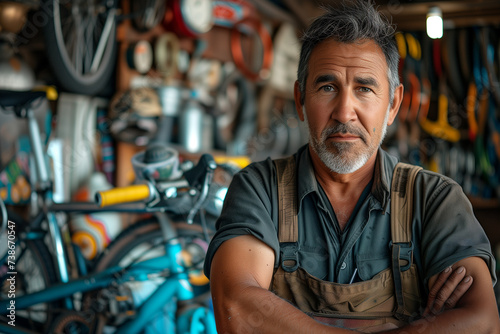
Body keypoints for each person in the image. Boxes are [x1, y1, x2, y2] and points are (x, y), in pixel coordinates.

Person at [204, 1, 500, 333]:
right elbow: (237, 308)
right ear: (300, 100)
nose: (345, 112)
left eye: (364, 88)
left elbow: (483, 323)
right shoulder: (259, 190)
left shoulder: (435, 201)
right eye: (327, 87)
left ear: (393, 105)